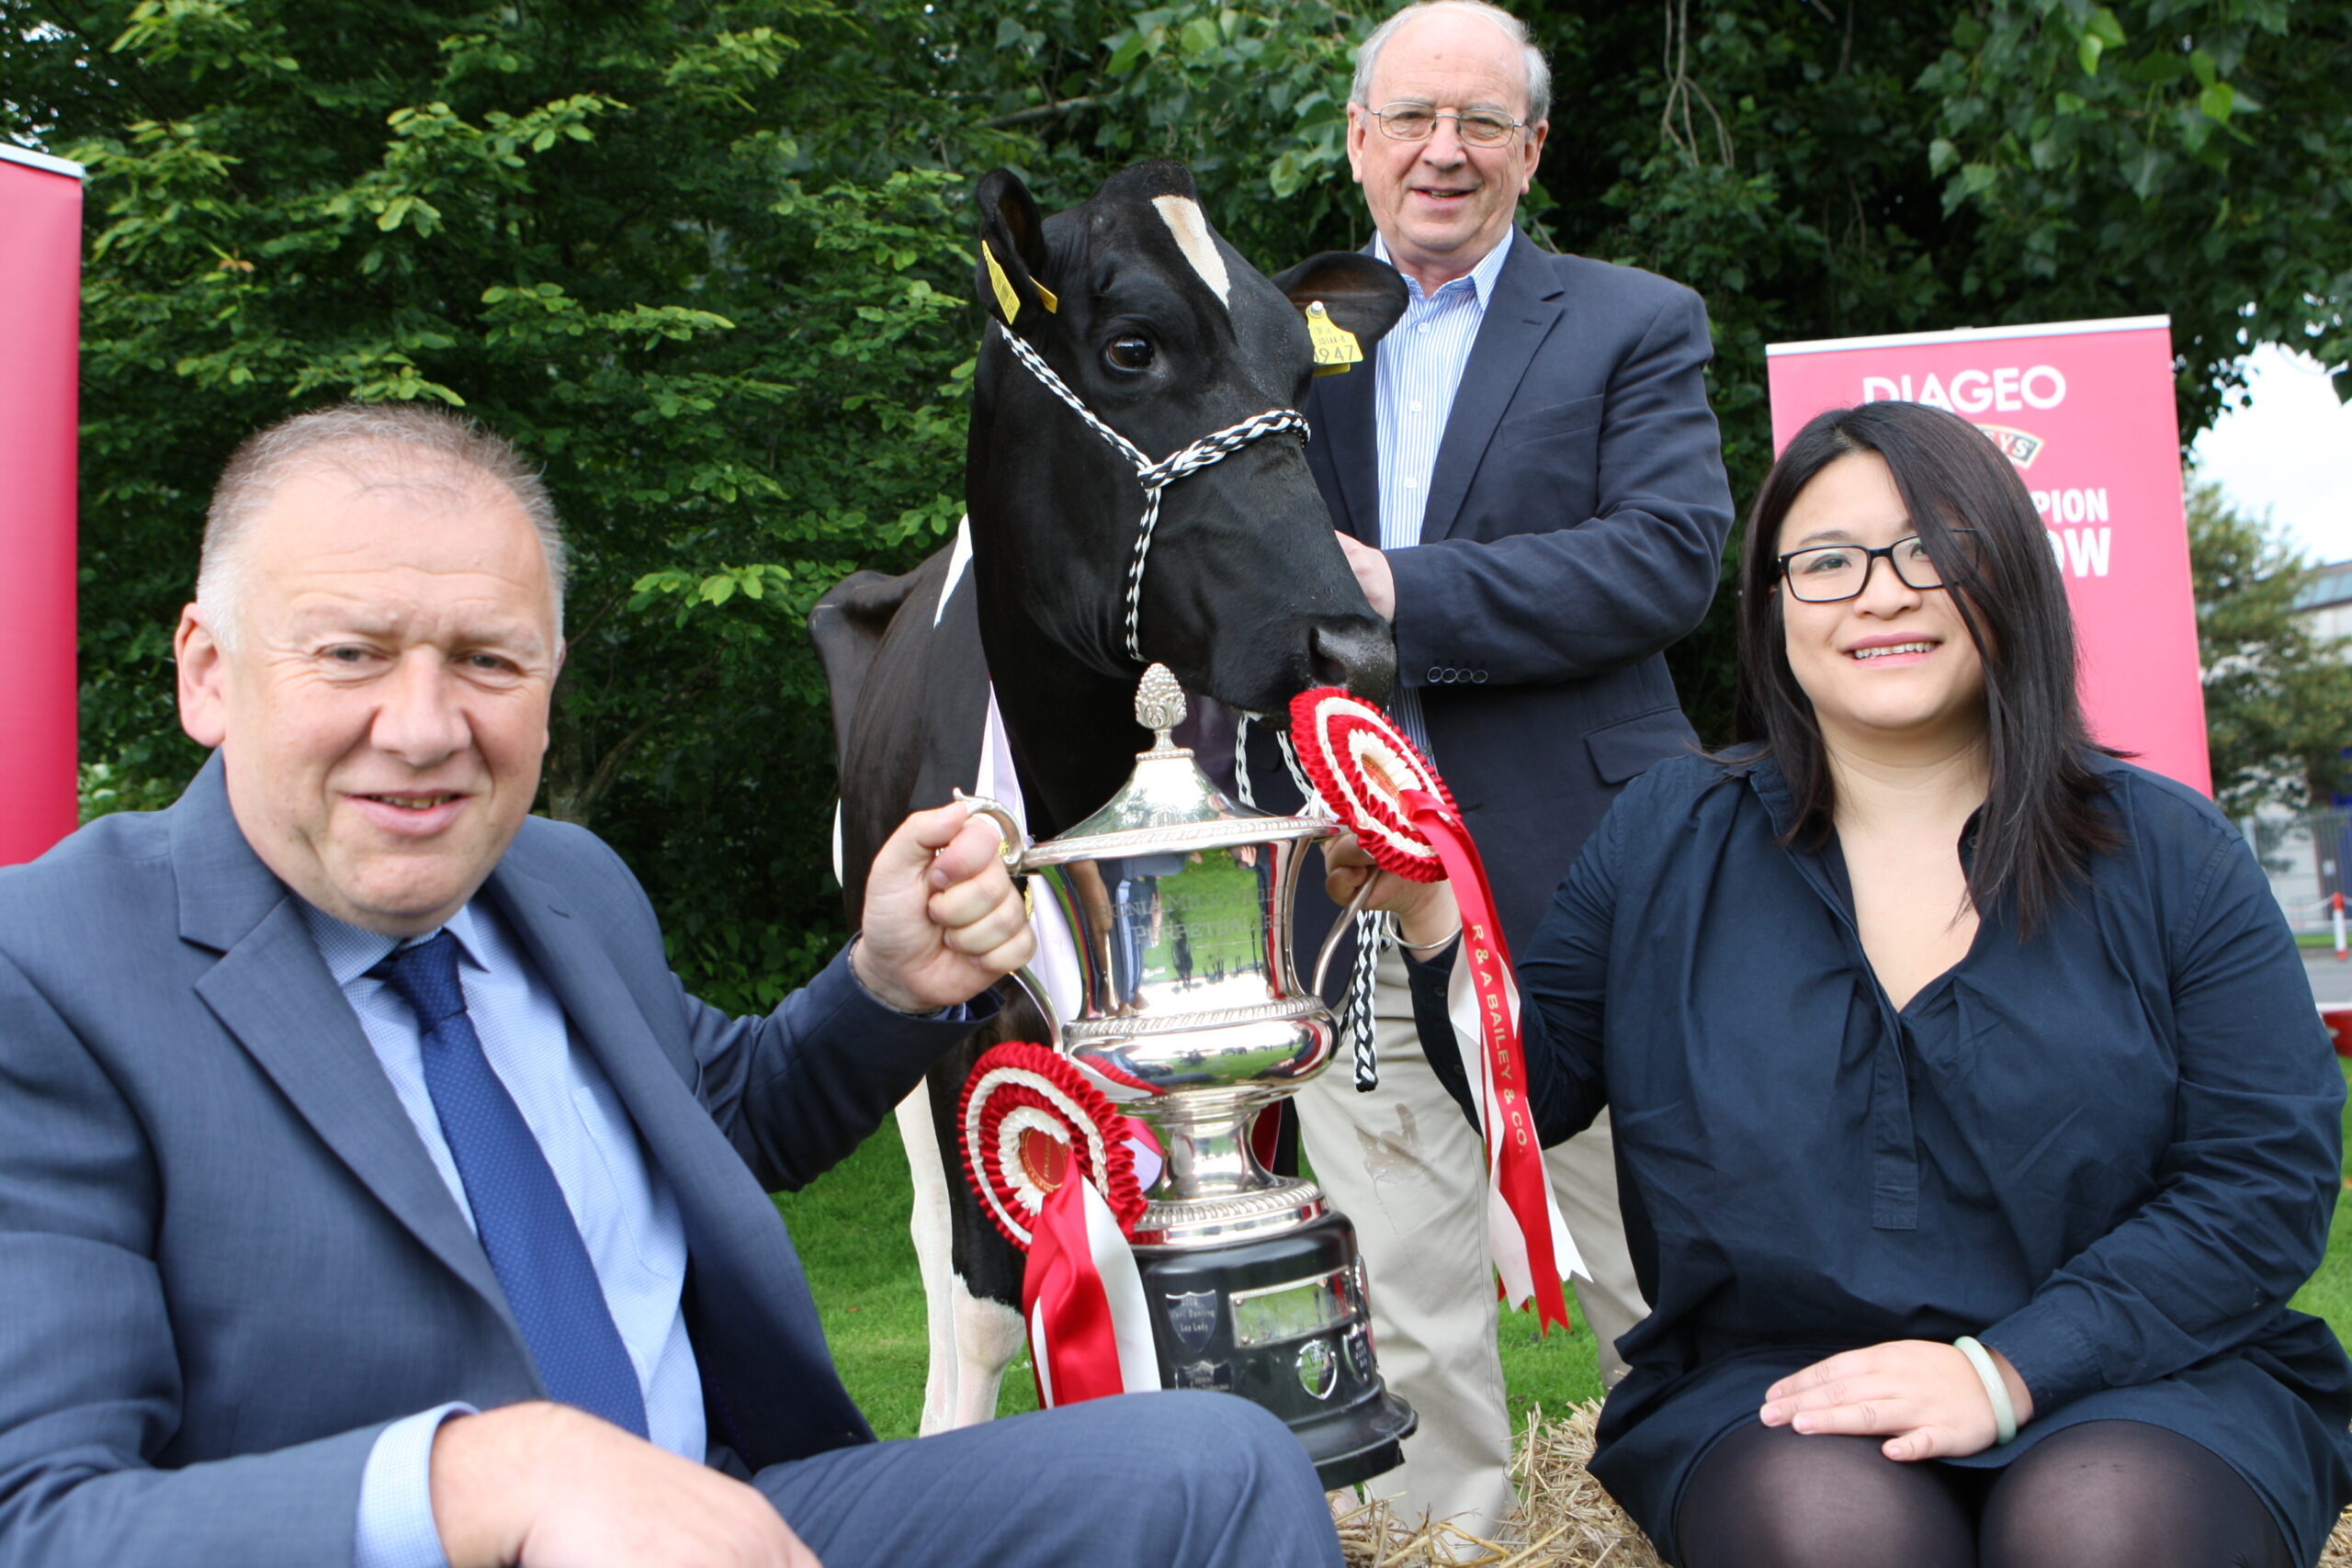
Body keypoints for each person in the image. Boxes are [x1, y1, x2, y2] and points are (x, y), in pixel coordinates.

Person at [0, 404, 1343, 1568]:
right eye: (349, 652)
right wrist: (493, 1476)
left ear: (548, 680)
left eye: (486, 658)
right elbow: (42, 1519)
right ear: (207, 672)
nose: (421, 725)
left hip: (745, 1521)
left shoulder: (564, 884)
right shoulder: (49, 972)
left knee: (1216, 1465)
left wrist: (885, 981)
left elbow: (733, 1114)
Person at [1340, 399, 2352, 1566]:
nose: (1880, 593)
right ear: (1773, 609)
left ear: (2009, 578)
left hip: (2144, 1370)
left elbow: (2260, 1179)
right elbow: (1542, 1085)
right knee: (1834, 1536)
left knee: (2102, 1527)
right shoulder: (1665, 833)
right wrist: (1428, 909)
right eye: (1825, 562)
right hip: (1784, 1384)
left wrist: (2005, 1370)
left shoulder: (2169, 852)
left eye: (1931, 551)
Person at [1261, 0, 1735, 1539]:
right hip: (1348, 876)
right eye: (1409, 118)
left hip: (1582, 869)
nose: (1441, 152)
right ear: (1358, 138)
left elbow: (1667, 560)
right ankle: (1447, 1539)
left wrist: (1394, 588)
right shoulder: (1274, 338)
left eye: (1479, 122)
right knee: (1397, 1267)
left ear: (1532, 147)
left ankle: (1727, 1514)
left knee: (1642, 1251)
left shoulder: (1631, 321)